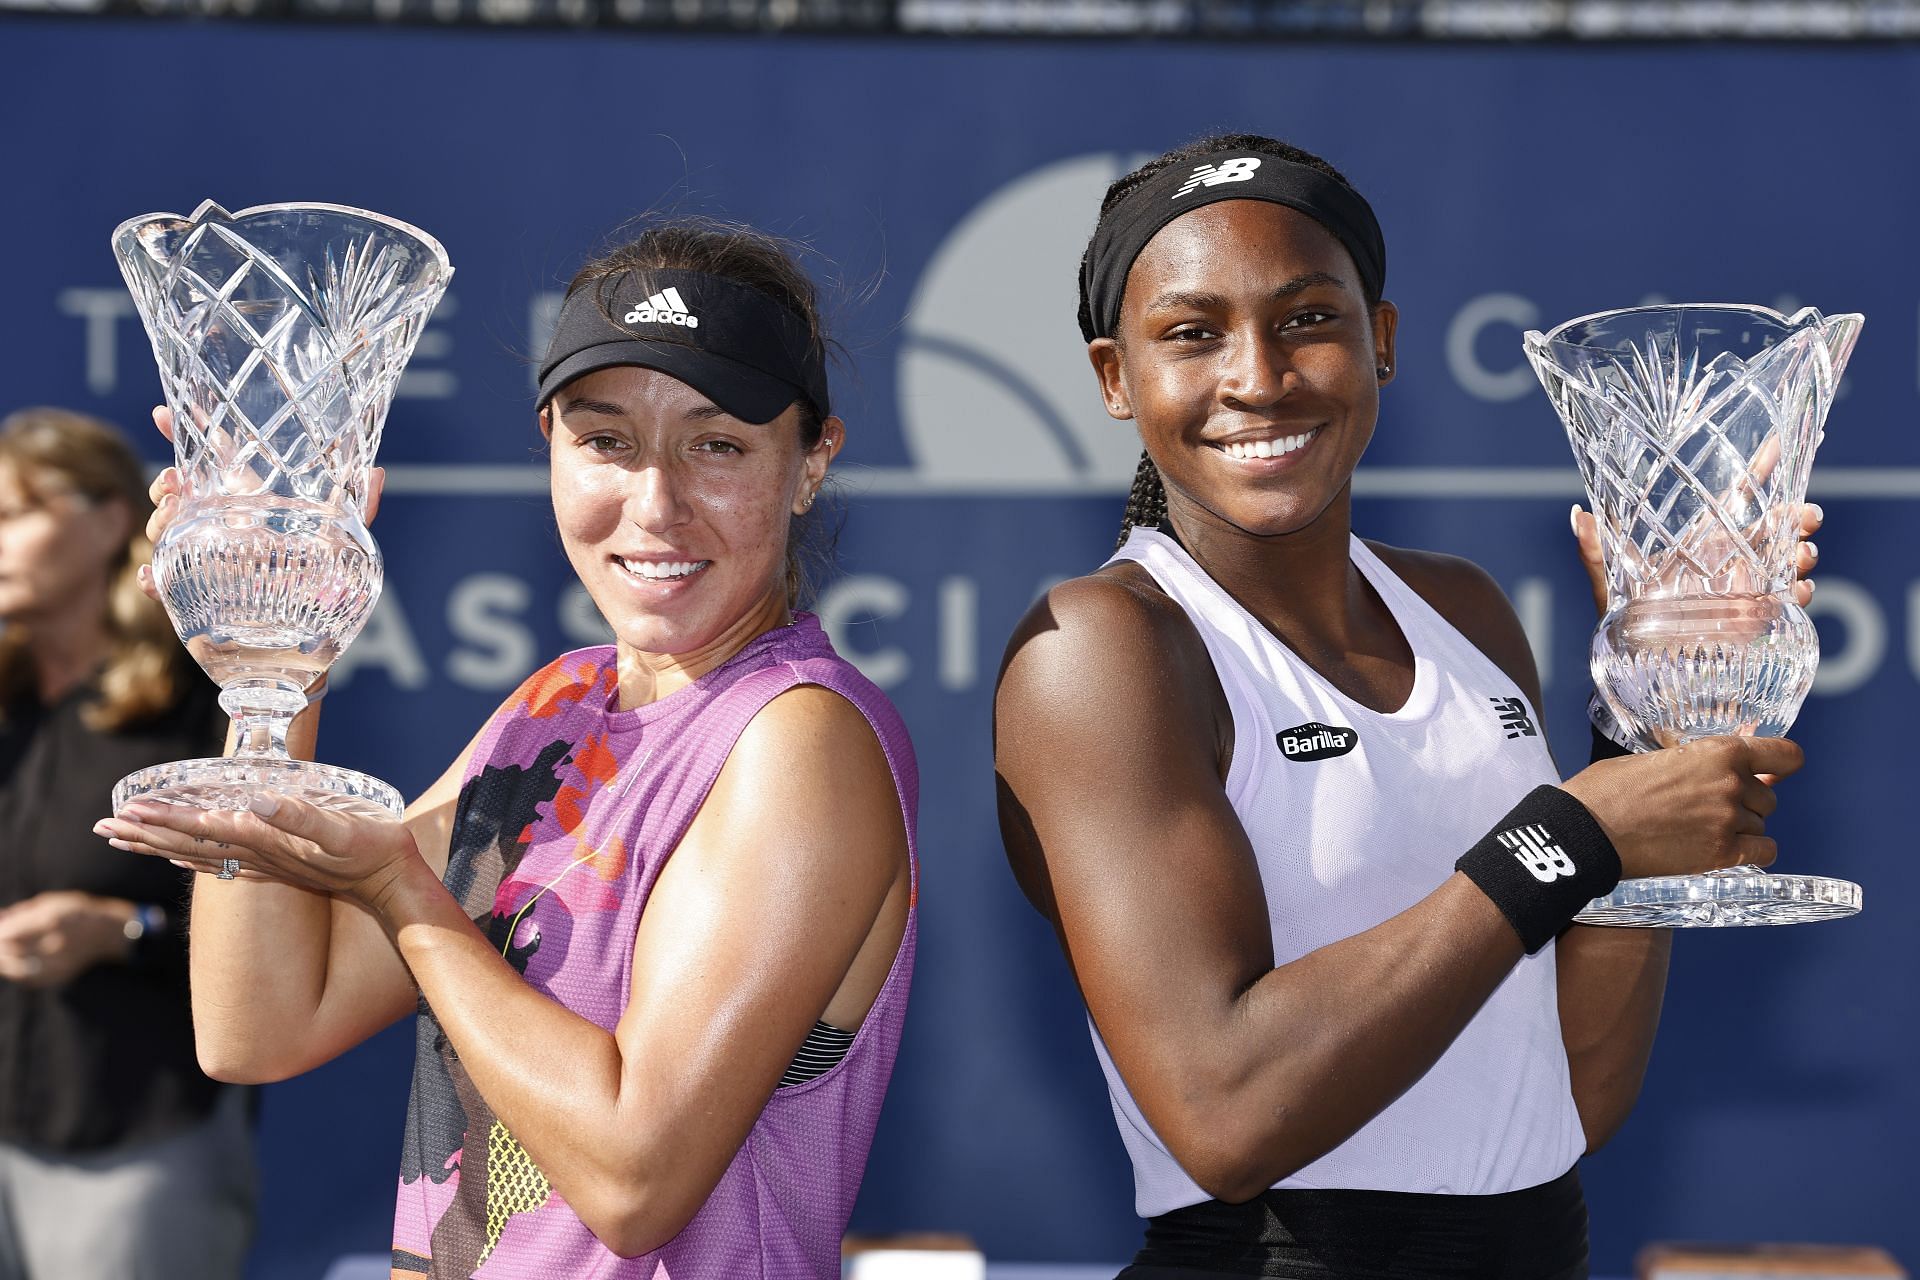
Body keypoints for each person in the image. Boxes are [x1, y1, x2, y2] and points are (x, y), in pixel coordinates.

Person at [993, 134, 1819, 1280]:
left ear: (1379, 340)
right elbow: (1223, 1111)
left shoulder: (1463, 609)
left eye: (1306, 318)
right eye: (1192, 333)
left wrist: (1652, 724)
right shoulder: (1101, 650)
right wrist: (1575, 835)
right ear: (1114, 378)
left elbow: (1568, 1085)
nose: (1258, 375)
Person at [96, 221, 918, 1279]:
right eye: (606, 440)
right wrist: (280, 667)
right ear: (551, 446)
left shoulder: (799, 736)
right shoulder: (555, 704)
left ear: (812, 463)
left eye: (718, 445)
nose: (655, 502)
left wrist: (407, 897)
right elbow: (256, 1023)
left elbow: (636, 1179)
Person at [0, 407, 255, 1278]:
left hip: (133, 1129)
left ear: (112, 520)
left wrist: (122, 931)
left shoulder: (204, 696)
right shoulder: (10, 705)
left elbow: (275, 910)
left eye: (11, 515)